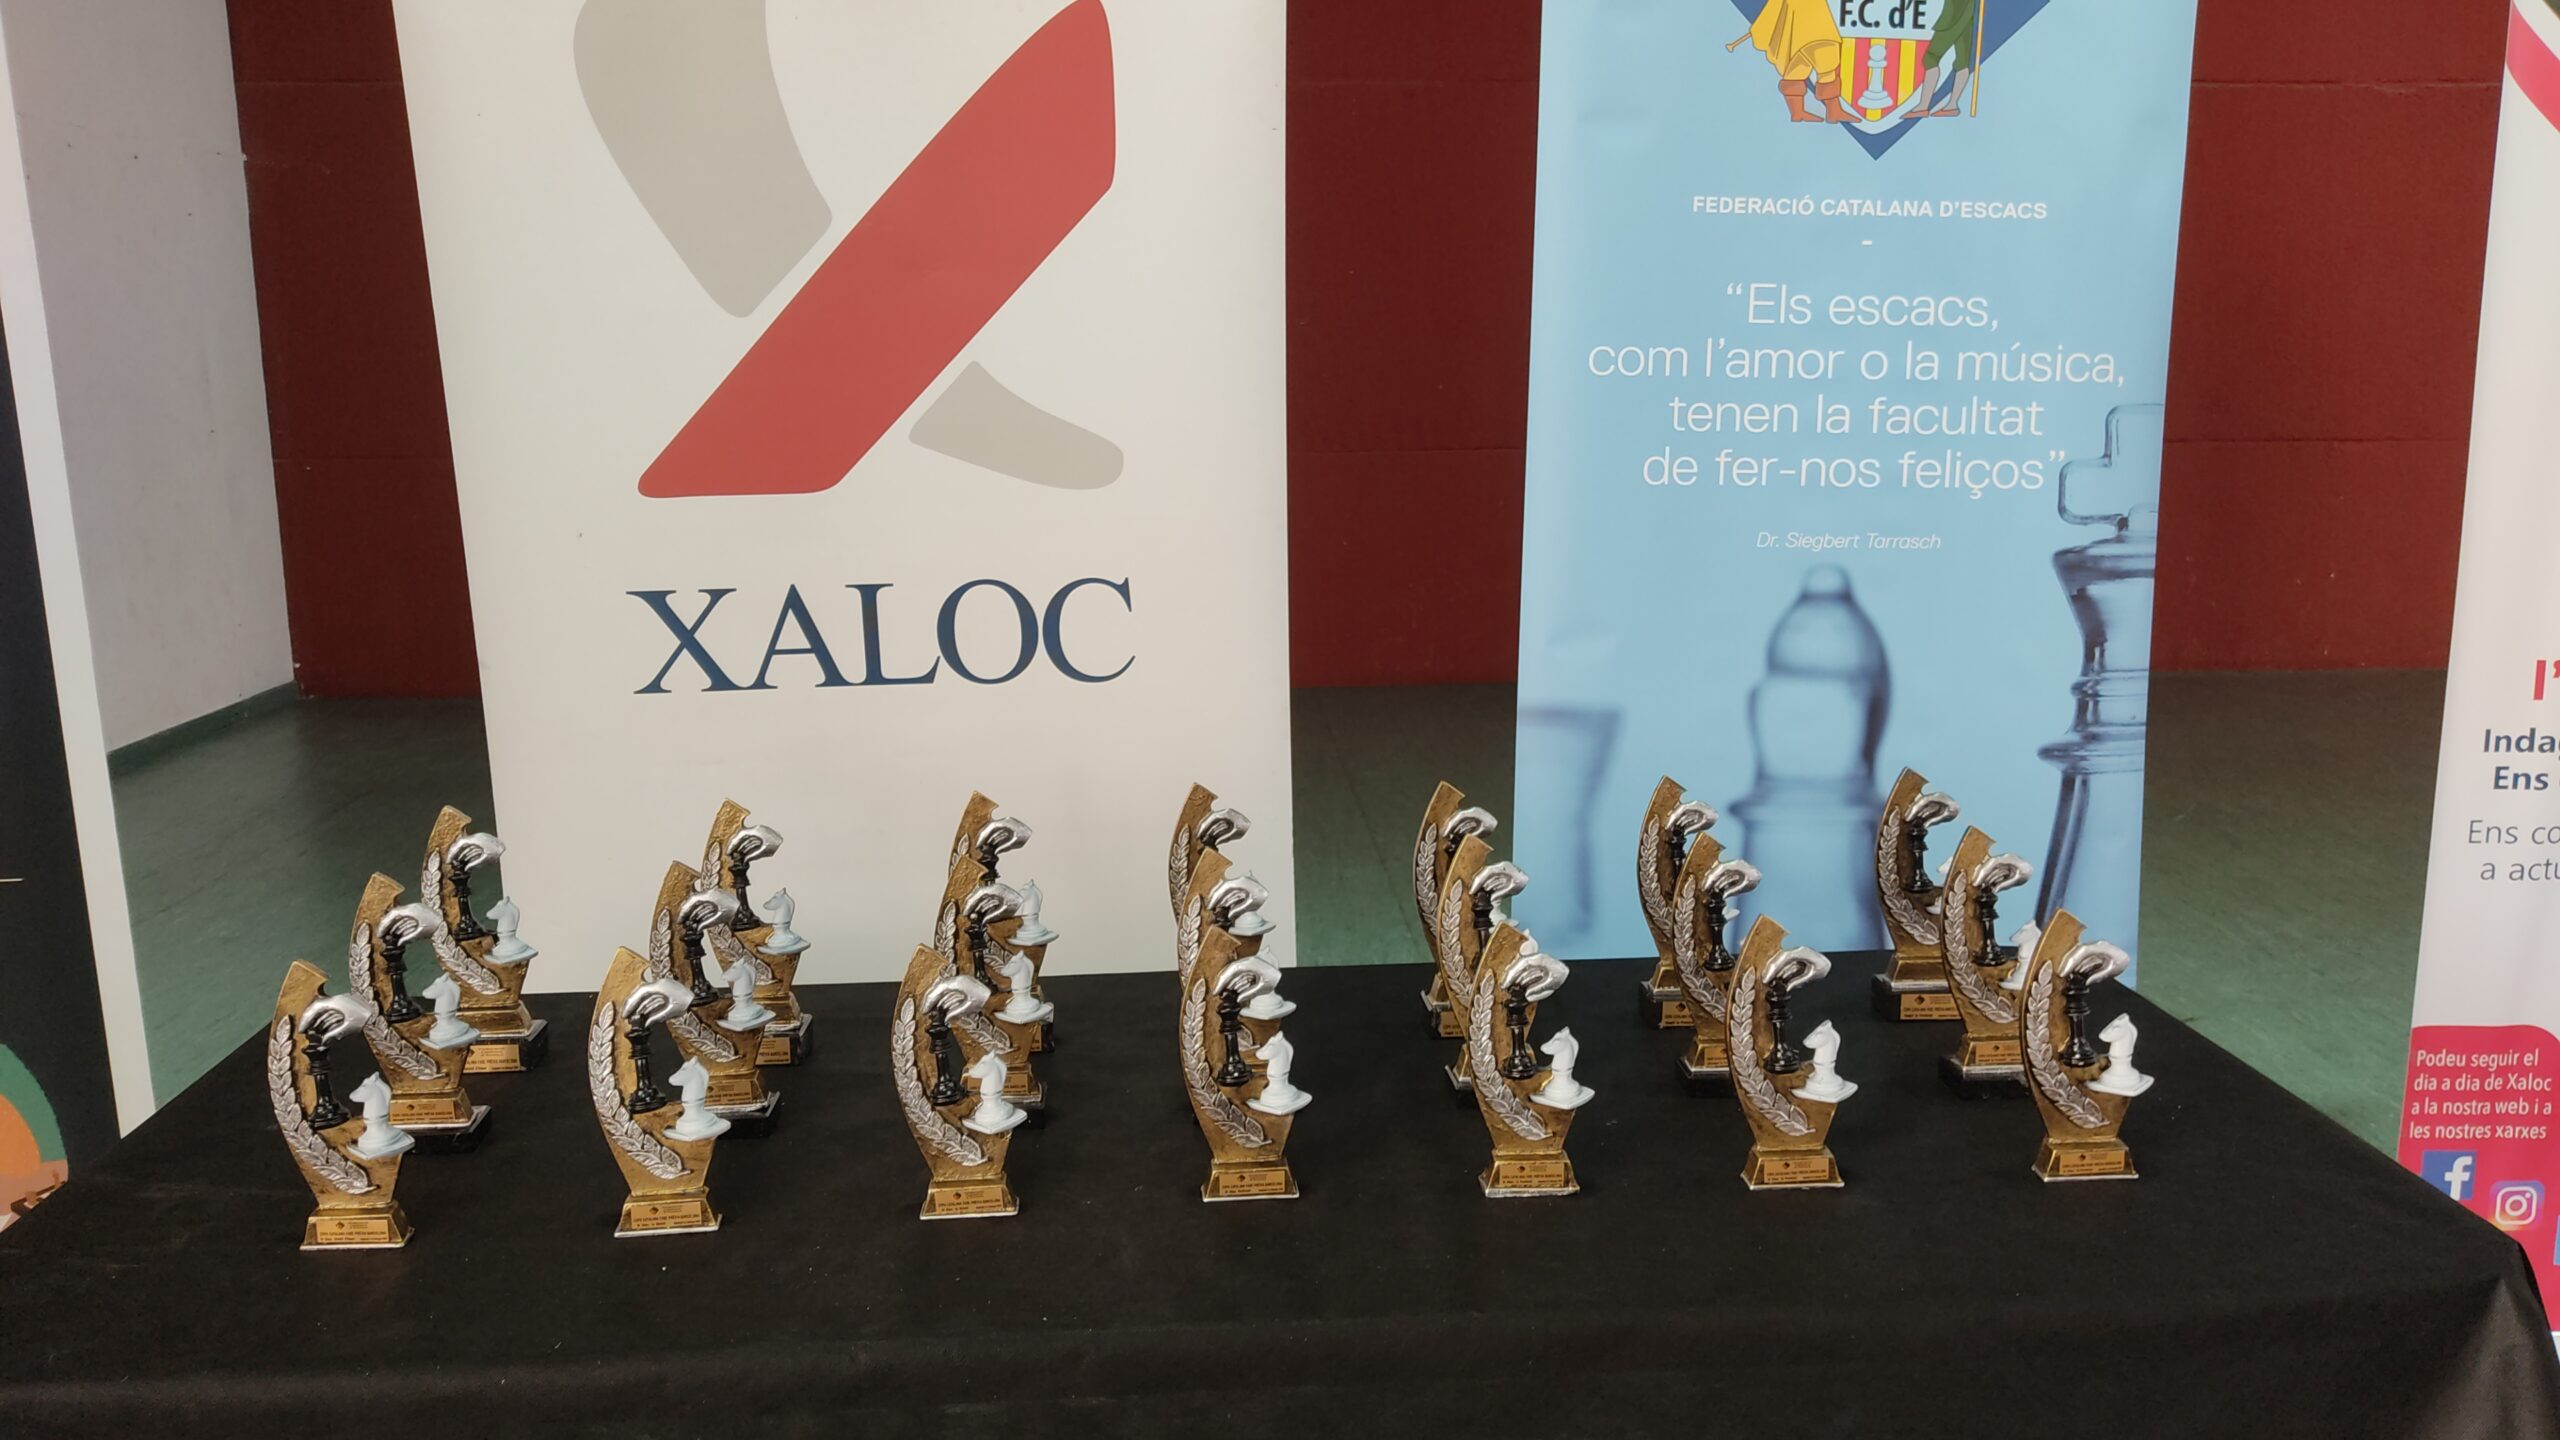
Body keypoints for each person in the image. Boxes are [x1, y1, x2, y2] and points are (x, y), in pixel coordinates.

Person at [1736, 0, 1855, 124]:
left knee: (1798, 63)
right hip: (1811, 19)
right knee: (1825, 61)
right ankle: (1831, 111)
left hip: (1802, 16)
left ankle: (1800, 112)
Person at [1912, 0, 1980, 119]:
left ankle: (1923, 106)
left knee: (1931, 58)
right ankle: (1952, 105)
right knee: (1962, 61)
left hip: (1954, 14)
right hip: (1966, 10)